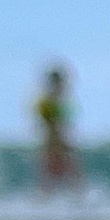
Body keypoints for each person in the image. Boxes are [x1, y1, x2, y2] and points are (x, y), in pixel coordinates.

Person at [34, 64, 81, 195]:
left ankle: (47, 204)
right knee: (67, 174)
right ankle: (77, 202)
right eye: (61, 82)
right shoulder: (50, 100)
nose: (64, 85)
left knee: (52, 176)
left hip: (54, 140)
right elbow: (53, 124)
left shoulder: (53, 100)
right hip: (55, 140)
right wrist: (61, 142)